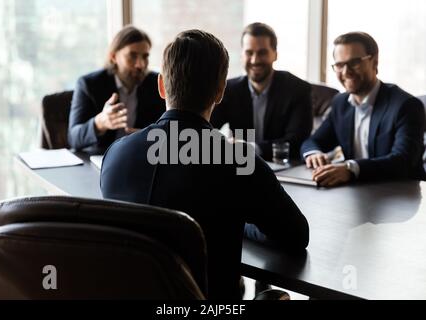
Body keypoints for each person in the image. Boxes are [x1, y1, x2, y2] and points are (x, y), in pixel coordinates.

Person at [101, 29, 309, 299]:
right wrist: (242, 219)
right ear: (220, 91)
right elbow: (295, 236)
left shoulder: (115, 154)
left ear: (162, 85)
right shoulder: (237, 160)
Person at [301, 32, 426, 187]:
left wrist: (350, 169)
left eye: (355, 62)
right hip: (356, 193)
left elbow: (403, 161)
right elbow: (313, 141)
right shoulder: (341, 103)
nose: (346, 72)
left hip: (399, 195)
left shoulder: (406, 105)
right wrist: (314, 154)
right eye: (339, 65)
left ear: (374, 62)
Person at [210, 22, 312, 161]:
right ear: (242, 55)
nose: (255, 60)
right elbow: (207, 125)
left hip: (284, 170)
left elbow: (296, 141)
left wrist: (248, 148)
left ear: (275, 54)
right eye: (249, 52)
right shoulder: (229, 89)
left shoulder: (298, 90)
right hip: (241, 169)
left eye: (262, 53)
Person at [68, 25, 166, 154]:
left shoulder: (156, 83)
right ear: (114, 57)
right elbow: (73, 138)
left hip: (140, 158)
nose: (141, 64)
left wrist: (148, 136)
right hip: (100, 160)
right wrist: (100, 123)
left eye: (145, 57)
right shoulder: (89, 84)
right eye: (133, 56)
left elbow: (168, 128)